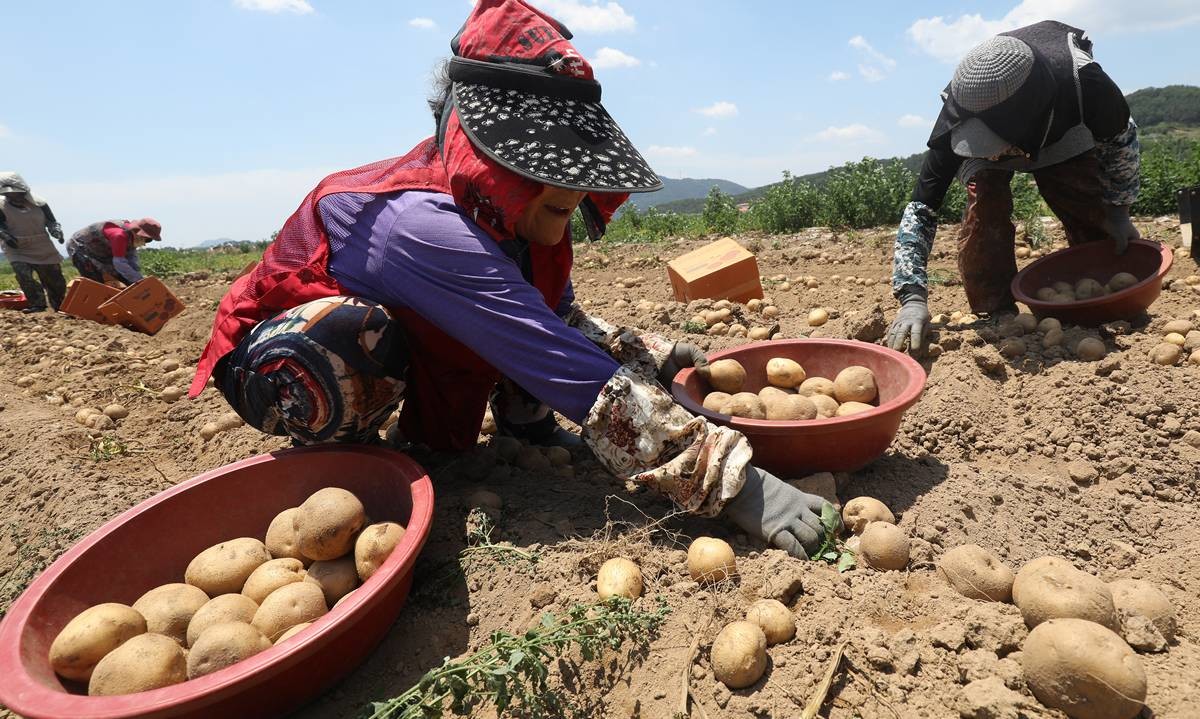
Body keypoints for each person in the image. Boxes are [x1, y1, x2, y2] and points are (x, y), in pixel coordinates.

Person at [190, 0, 835, 557]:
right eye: (550, 186)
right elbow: (551, 354)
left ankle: (517, 424)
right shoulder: (421, 225)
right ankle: (353, 466)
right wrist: (737, 486)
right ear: (482, 158)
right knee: (347, 338)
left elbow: (559, 323)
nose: (570, 204)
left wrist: (659, 360)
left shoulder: (504, 216)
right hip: (288, 359)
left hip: (431, 330)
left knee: (520, 303)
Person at [887, 21, 1140, 352]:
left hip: (1063, 127)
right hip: (1026, 117)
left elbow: (1121, 142)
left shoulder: (1086, 84)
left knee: (1084, 198)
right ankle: (997, 310)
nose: (991, 153)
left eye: (997, 142)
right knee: (985, 203)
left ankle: (1101, 294)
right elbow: (921, 208)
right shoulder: (962, 110)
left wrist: (1119, 210)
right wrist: (912, 295)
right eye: (980, 143)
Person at [0, 172, 68, 313]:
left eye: (17, 193)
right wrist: (5, 235)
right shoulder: (1, 206)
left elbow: (52, 222)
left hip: (41, 243)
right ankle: (37, 304)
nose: (14, 196)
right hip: (16, 246)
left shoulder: (39, 203)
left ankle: (59, 305)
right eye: (9, 195)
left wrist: (56, 232)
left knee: (53, 278)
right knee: (23, 275)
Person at [67, 218, 162, 286]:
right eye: (147, 240)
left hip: (102, 250)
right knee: (96, 282)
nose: (146, 243)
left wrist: (139, 279)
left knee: (128, 279)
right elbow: (119, 263)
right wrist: (139, 280)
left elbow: (131, 260)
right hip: (80, 247)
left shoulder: (132, 238)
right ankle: (95, 311)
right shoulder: (119, 235)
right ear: (139, 234)